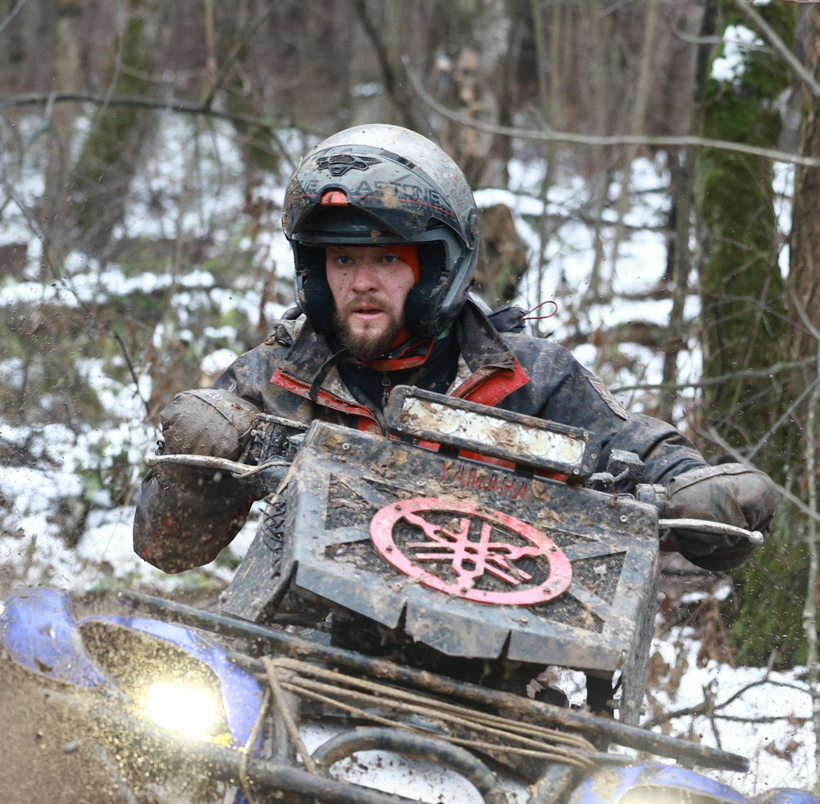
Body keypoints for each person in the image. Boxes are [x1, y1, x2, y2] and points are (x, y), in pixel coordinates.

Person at [133, 123, 774, 575]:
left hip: (499, 667)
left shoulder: (530, 377)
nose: (361, 281)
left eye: (387, 257)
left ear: (439, 268)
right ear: (313, 270)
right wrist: (193, 464)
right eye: (342, 258)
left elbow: (634, 448)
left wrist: (698, 488)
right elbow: (170, 552)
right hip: (300, 647)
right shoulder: (270, 382)